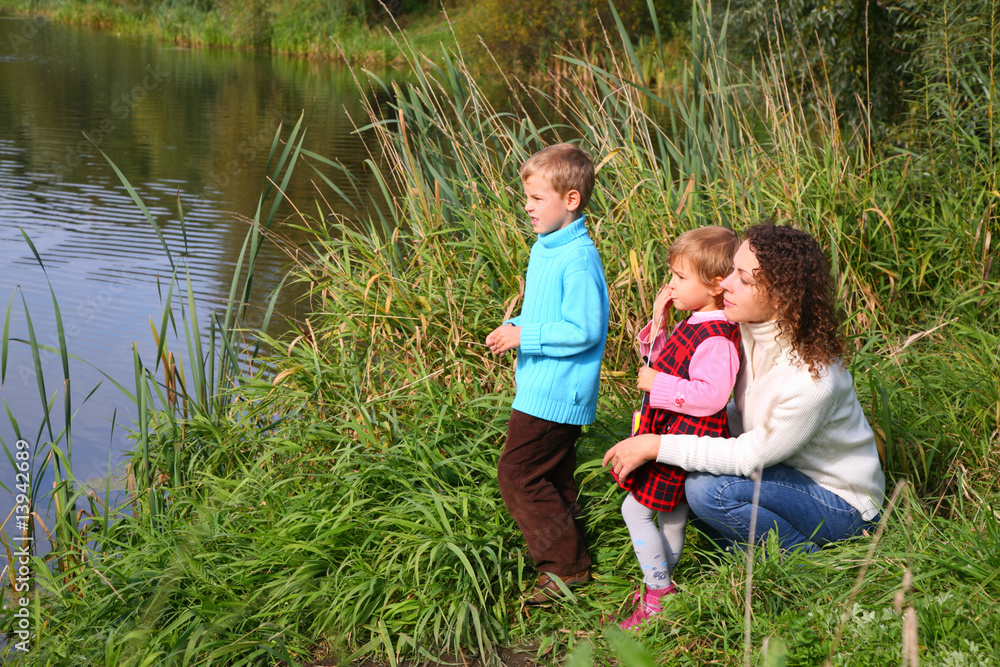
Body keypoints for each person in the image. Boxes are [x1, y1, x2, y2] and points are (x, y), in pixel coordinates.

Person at [603, 223, 885, 564]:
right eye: (732, 269)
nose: (725, 284)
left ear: (781, 297)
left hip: (840, 502)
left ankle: (809, 561)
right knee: (690, 479)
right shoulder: (745, 329)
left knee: (707, 490)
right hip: (782, 474)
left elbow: (748, 457)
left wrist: (656, 445)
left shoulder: (811, 381)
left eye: (744, 279)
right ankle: (747, 554)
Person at [486, 143, 609, 605]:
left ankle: (562, 569)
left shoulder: (577, 258)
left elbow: (583, 329)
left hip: (558, 390)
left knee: (517, 473)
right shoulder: (547, 249)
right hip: (541, 384)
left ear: (570, 200)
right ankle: (573, 556)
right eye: (527, 198)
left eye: (537, 199)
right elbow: (546, 313)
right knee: (552, 474)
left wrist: (527, 337)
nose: (527, 207)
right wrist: (516, 325)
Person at [610, 226, 741, 629]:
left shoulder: (717, 336)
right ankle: (660, 583)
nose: (671, 284)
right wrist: (658, 318)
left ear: (717, 284)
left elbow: (713, 396)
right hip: (673, 437)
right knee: (671, 517)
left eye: (681, 277)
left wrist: (657, 385)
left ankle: (659, 590)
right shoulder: (695, 320)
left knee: (634, 509)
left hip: (681, 441)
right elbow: (666, 360)